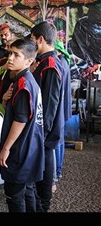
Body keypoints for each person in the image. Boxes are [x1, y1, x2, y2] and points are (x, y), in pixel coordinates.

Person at [0, 39, 44, 213]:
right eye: (10, 53)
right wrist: (4, 100)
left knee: (15, 196)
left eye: (16, 55)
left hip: (20, 150)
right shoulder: (27, 81)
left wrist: (6, 148)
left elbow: (21, 120)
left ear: (29, 61)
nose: (10, 58)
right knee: (28, 191)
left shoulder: (23, 84)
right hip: (31, 148)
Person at [29, 21, 64, 212]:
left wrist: (40, 136)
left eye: (33, 40)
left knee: (42, 188)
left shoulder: (49, 65)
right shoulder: (43, 63)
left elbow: (49, 108)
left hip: (44, 134)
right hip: (41, 133)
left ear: (41, 39)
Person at [53, 40, 72, 189]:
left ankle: (57, 172)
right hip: (63, 108)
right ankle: (58, 171)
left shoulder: (59, 63)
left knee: (57, 141)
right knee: (60, 140)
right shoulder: (64, 62)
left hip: (59, 109)